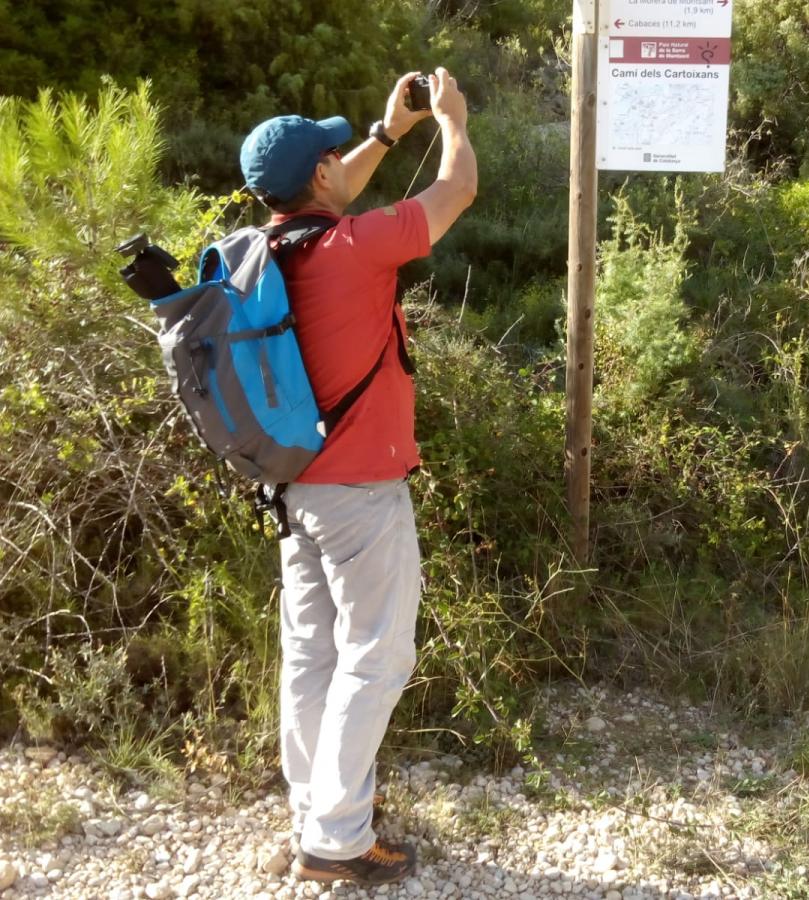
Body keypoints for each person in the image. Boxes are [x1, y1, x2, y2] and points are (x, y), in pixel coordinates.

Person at [237, 68, 476, 885]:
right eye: (333, 155)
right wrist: (451, 122)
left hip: (294, 487)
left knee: (310, 654)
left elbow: (333, 195)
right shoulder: (358, 245)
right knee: (376, 658)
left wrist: (385, 133)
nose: (342, 161)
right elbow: (456, 192)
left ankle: (316, 812)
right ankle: (337, 839)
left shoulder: (267, 253)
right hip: (361, 494)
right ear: (318, 176)